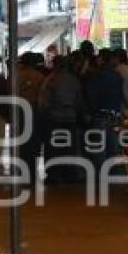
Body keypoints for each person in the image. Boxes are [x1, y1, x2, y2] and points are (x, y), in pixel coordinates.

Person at [39, 55, 85, 183]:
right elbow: (79, 100)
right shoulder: (74, 80)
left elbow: (44, 101)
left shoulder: (51, 80)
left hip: (53, 119)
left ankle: (53, 174)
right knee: (69, 148)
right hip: (70, 119)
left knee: (52, 148)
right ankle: (69, 173)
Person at [83, 49, 124, 170]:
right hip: (114, 115)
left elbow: (91, 97)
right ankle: (114, 173)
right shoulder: (117, 75)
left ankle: (101, 176)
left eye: (98, 57)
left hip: (99, 116)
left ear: (101, 59)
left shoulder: (96, 76)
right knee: (113, 146)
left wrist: (90, 112)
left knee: (99, 149)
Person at [17, 52, 47, 183]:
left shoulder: (16, 77)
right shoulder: (40, 77)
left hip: (18, 110)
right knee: (33, 143)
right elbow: (43, 97)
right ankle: (31, 173)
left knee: (20, 143)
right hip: (34, 110)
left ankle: (21, 172)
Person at [114, 48, 128, 115]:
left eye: (113, 57)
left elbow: (125, 91)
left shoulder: (118, 70)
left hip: (124, 108)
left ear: (117, 58)